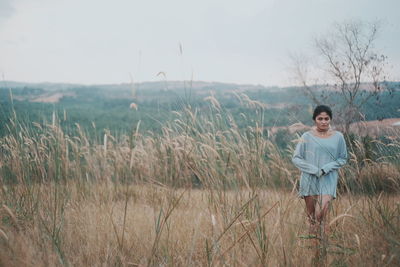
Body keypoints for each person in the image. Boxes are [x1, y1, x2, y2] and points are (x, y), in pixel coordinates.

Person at [292, 105, 347, 237]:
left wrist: (326, 169)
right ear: (314, 119)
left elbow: (343, 158)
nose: (323, 122)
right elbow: (296, 158)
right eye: (320, 118)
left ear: (330, 119)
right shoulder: (307, 136)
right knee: (311, 219)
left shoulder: (338, 137)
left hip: (328, 179)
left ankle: (322, 245)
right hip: (309, 179)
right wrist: (314, 170)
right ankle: (315, 249)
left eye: (326, 119)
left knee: (319, 214)